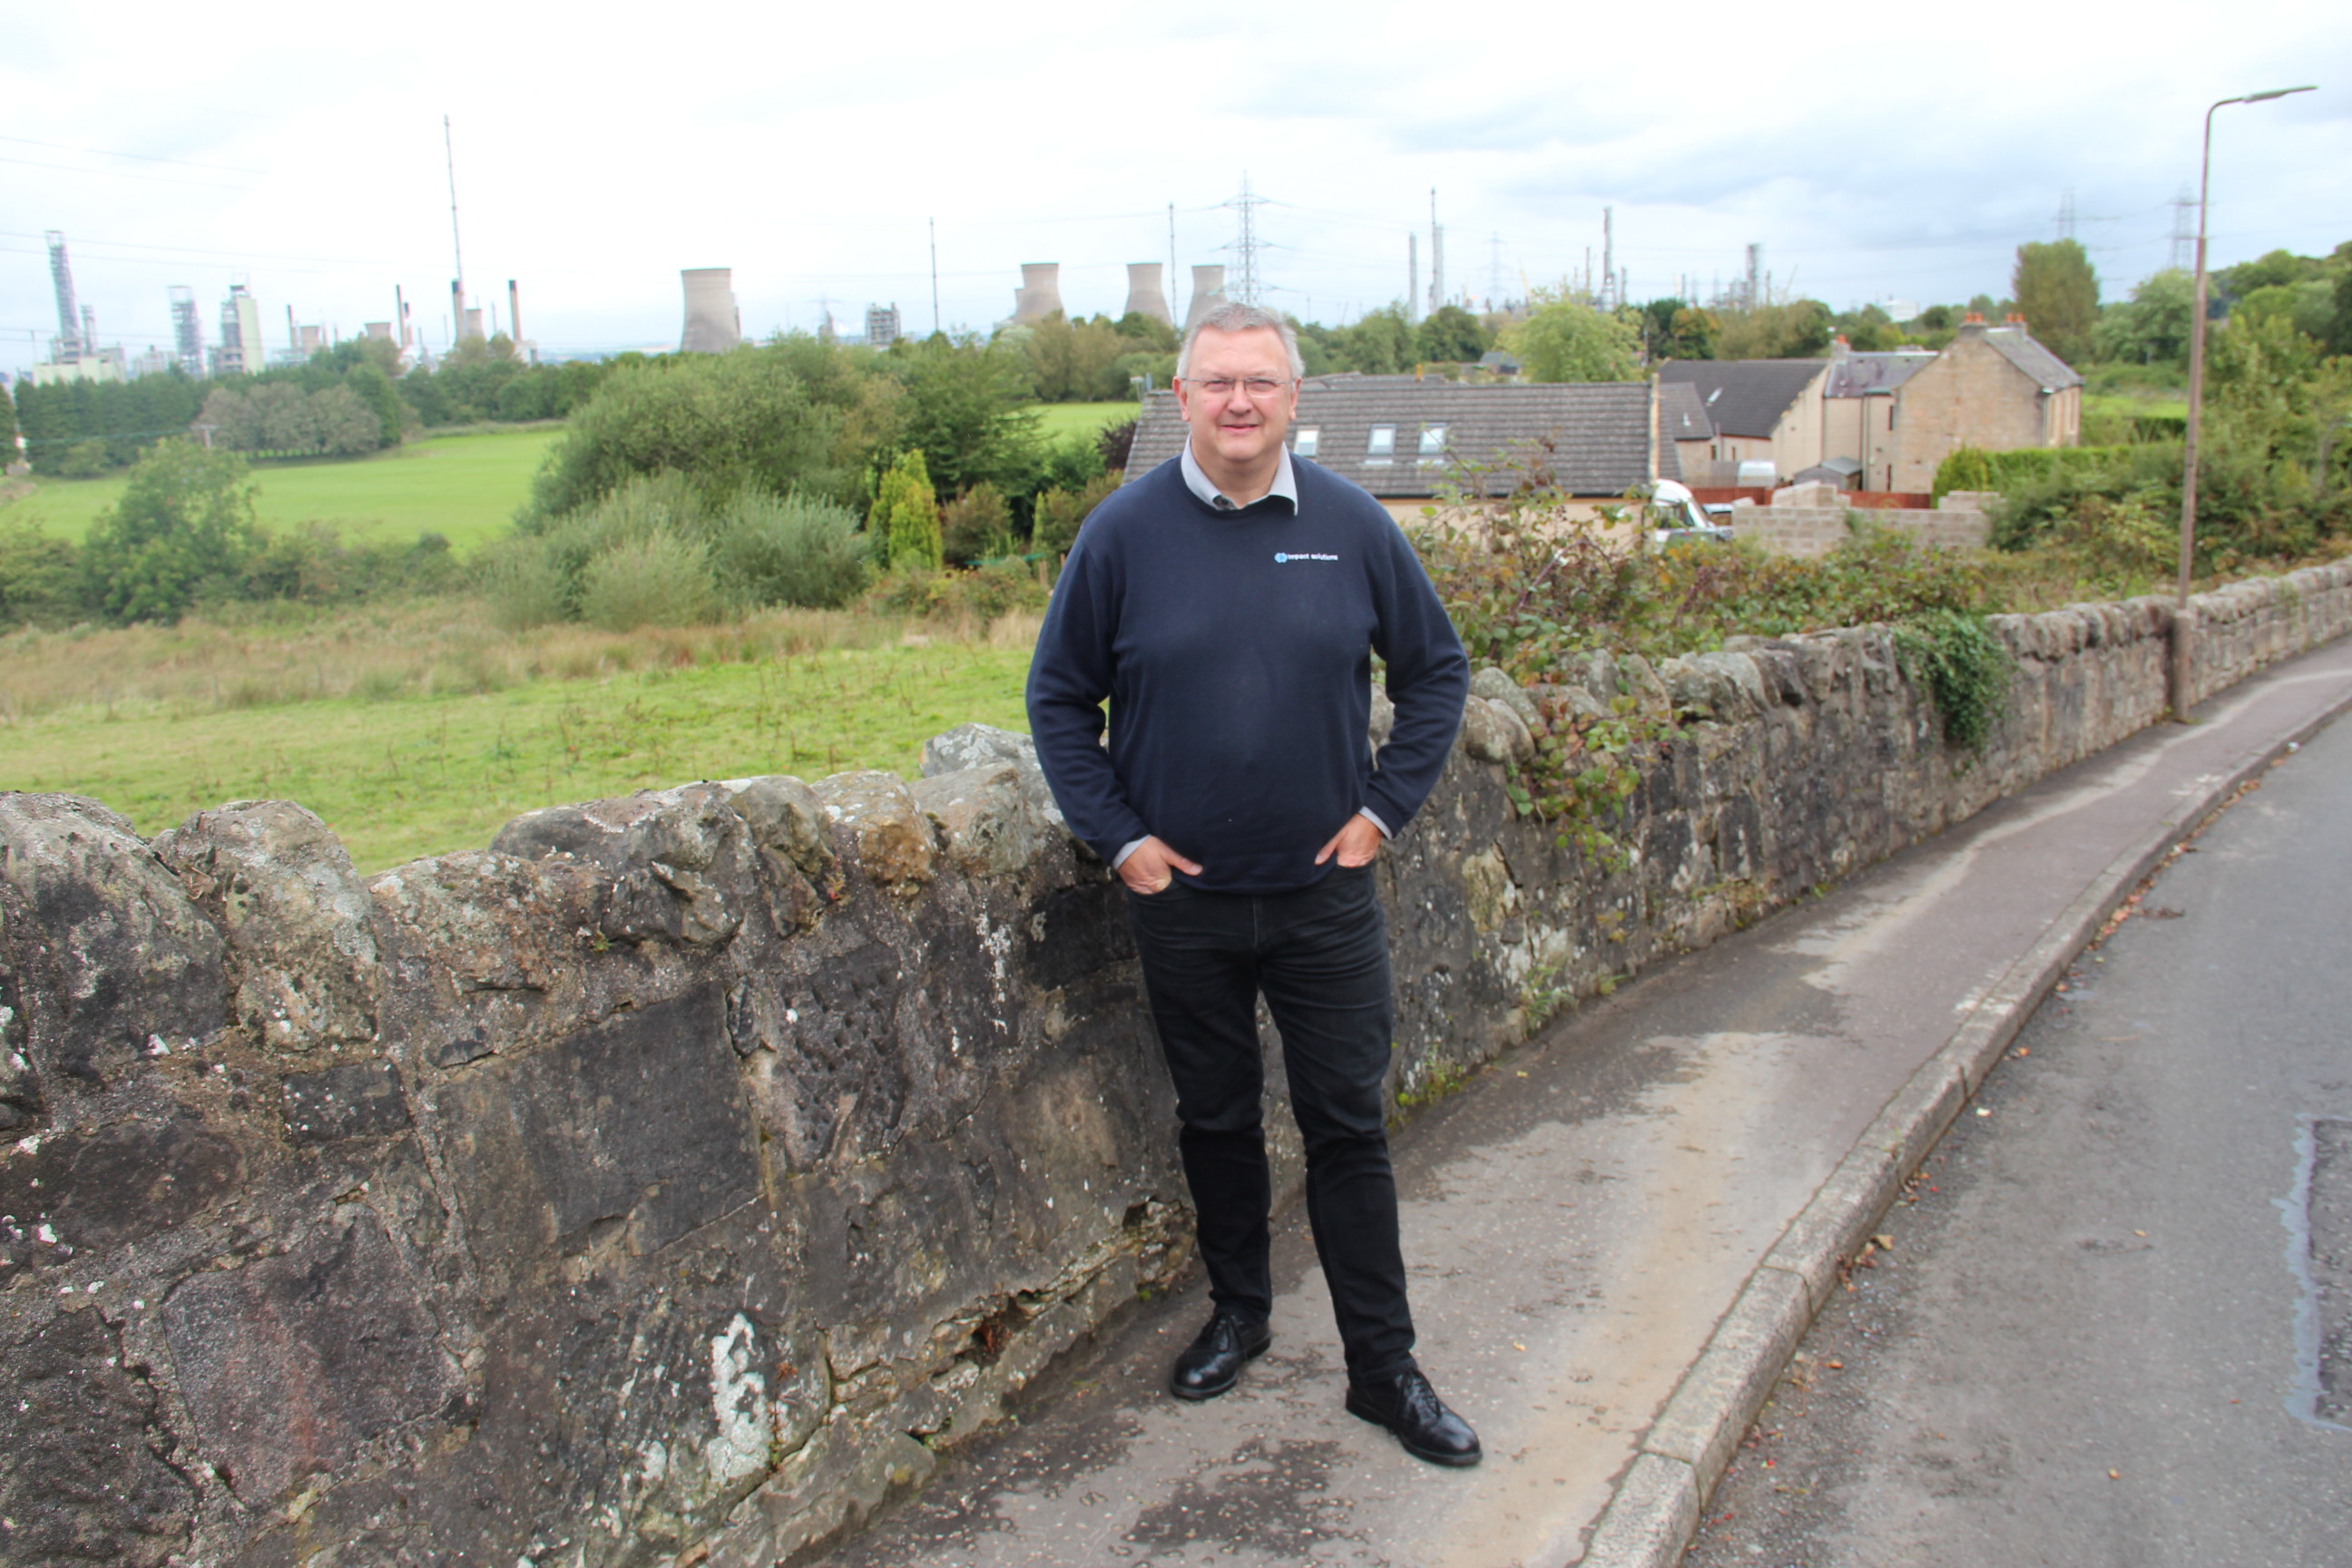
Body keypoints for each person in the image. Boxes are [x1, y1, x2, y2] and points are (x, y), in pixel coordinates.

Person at [1025, 302, 1478, 1466]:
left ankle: (1384, 1368)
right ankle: (1240, 1315)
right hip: (1185, 903)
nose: (1240, 402)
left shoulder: (1354, 523)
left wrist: (1383, 812)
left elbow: (1436, 673)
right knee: (1216, 1120)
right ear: (1182, 398)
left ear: (1293, 398)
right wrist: (1121, 840)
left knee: (1348, 1128)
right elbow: (1060, 701)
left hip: (1325, 900)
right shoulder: (1122, 535)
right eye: (1218, 382)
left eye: (1261, 383)